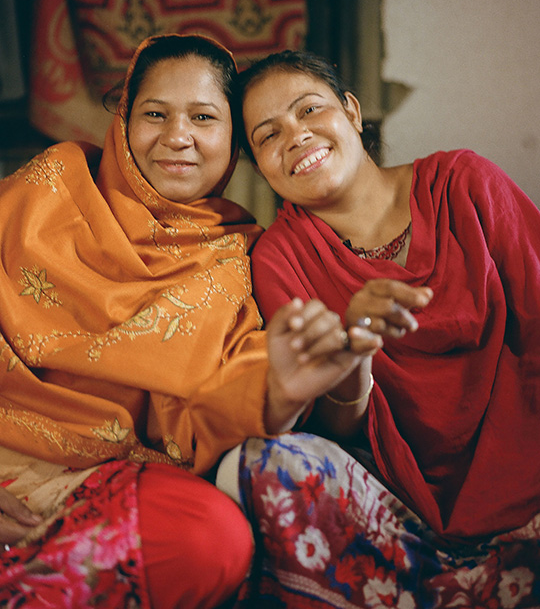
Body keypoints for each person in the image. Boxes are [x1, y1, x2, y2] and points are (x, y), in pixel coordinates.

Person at [0, 35, 369, 609]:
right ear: (123, 119)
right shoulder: (48, 189)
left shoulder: (240, 257)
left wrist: (281, 391)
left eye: (203, 117)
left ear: (233, 143)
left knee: (212, 538)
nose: (178, 137)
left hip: (107, 489)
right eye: (154, 114)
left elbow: (225, 399)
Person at [217, 49, 540, 608]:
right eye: (268, 135)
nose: (295, 136)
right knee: (265, 464)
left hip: (529, 471)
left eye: (309, 110)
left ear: (351, 111)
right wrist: (354, 351)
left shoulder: (465, 183)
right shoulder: (277, 258)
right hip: (404, 516)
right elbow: (339, 431)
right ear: (258, 165)